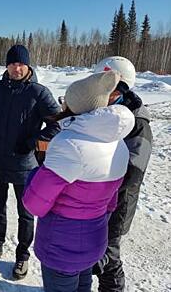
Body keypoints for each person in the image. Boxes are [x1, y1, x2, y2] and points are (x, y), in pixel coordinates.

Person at [23, 70, 135, 292]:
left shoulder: (68, 143)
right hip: (95, 240)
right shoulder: (118, 144)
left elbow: (34, 204)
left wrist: (34, 174)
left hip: (61, 245)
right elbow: (110, 203)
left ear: (75, 105)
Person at [0, 44, 60, 280]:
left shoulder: (38, 92)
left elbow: (56, 124)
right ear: (7, 66)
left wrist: (34, 141)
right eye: (12, 63)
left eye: (20, 63)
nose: (16, 68)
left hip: (24, 165)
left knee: (26, 213)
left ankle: (22, 255)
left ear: (27, 65)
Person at [93, 56, 153, 292]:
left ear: (122, 88)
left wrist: (100, 187)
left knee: (109, 254)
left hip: (118, 202)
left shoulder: (138, 123)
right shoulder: (106, 111)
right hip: (98, 199)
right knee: (96, 249)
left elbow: (134, 172)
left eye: (107, 86)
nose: (102, 91)